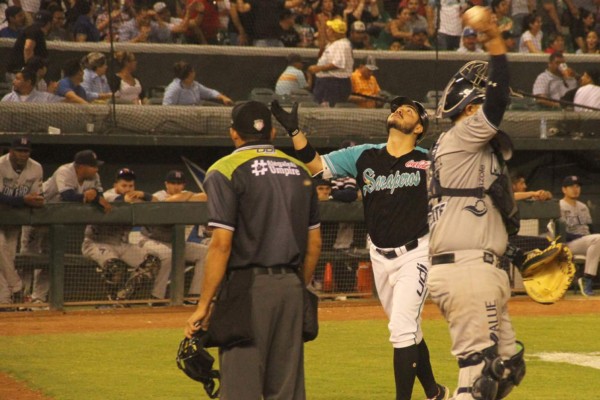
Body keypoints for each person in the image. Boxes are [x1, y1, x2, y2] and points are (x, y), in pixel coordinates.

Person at [270, 94, 448, 398]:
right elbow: (317, 167)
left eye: (410, 111)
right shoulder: (364, 155)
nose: (401, 110)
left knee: (402, 330)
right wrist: (295, 133)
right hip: (379, 254)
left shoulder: (429, 160)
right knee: (409, 331)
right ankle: (435, 393)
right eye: (398, 108)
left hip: (417, 253)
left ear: (420, 128)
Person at [185, 101, 322, 399]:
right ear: (272, 132)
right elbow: (314, 244)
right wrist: (298, 285)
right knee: (286, 389)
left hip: (247, 290)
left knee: (241, 389)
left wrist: (204, 305)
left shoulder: (224, 169)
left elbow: (221, 244)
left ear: (234, 134)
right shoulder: (300, 169)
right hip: (290, 288)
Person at [427, 7, 525, 399]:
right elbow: (498, 98)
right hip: (467, 270)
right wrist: (495, 43)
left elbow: (491, 206)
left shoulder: (467, 152)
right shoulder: (461, 135)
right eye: (478, 106)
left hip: (480, 268)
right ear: (468, 110)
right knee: (480, 375)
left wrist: (513, 248)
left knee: (506, 370)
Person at [21, 150, 112, 305]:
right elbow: (67, 196)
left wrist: (95, 196)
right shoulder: (65, 171)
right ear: (80, 167)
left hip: (54, 223)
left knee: (50, 260)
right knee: (27, 259)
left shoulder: (94, 177)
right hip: (36, 218)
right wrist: (88, 197)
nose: (97, 169)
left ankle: (38, 299)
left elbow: (101, 197)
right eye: (93, 166)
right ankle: (21, 297)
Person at [81, 168, 159, 303]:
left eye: (131, 186)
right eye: (124, 185)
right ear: (115, 185)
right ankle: (110, 302)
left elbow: (156, 201)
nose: (128, 189)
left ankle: (122, 298)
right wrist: (138, 197)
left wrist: (142, 194)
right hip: (96, 242)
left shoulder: (135, 196)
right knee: (115, 267)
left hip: (121, 244)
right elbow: (124, 199)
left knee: (151, 263)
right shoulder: (108, 196)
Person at [138, 170, 209, 303]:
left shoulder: (186, 195)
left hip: (175, 243)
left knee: (205, 253)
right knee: (167, 254)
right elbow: (168, 202)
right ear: (166, 184)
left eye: (180, 184)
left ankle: (194, 297)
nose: (176, 187)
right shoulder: (158, 195)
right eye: (173, 183)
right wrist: (187, 196)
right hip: (150, 240)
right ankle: (156, 297)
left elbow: (205, 197)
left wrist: (187, 196)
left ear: (184, 185)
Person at [0, 138, 44, 309]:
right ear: (10, 151)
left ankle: (4, 301)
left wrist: (37, 200)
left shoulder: (36, 167)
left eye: (26, 151)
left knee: (6, 259)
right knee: (1, 247)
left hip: (13, 221)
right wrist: (23, 200)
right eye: (19, 150)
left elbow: (36, 196)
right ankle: (17, 286)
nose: (23, 154)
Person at [560, 175, 599, 297]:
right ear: (564, 189)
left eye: (577, 186)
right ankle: (587, 279)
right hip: (569, 243)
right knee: (598, 240)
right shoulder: (559, 206)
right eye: (571, 186)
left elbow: (590, 229)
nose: (575, 189)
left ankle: (587, 280)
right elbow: (559, 233)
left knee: (597, 241)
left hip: (587, 241)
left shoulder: (583, 207)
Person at [309, 18, 353, 107]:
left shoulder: (340, 44)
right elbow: (321, 49)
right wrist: (321, 29)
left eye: (329, 29)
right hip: (329, 83)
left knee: (328, 111)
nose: (327, 31)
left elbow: (338, 64)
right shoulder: (333, 43)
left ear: (335, 32)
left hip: (333, 83)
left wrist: (318, 68)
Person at [162, 61, 233, 106]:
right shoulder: (174, 88)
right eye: (192, 72)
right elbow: (166, 107)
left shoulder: (195, 85)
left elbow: (210, 93)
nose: (194, 73)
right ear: (188, 75)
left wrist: (223, 97)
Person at [5, 10, 52, 77]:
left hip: (19, 71)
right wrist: (30, 70)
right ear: (49, 23)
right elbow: (28, 48)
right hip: (20, 72)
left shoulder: (32, 29)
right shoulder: (36, 31)